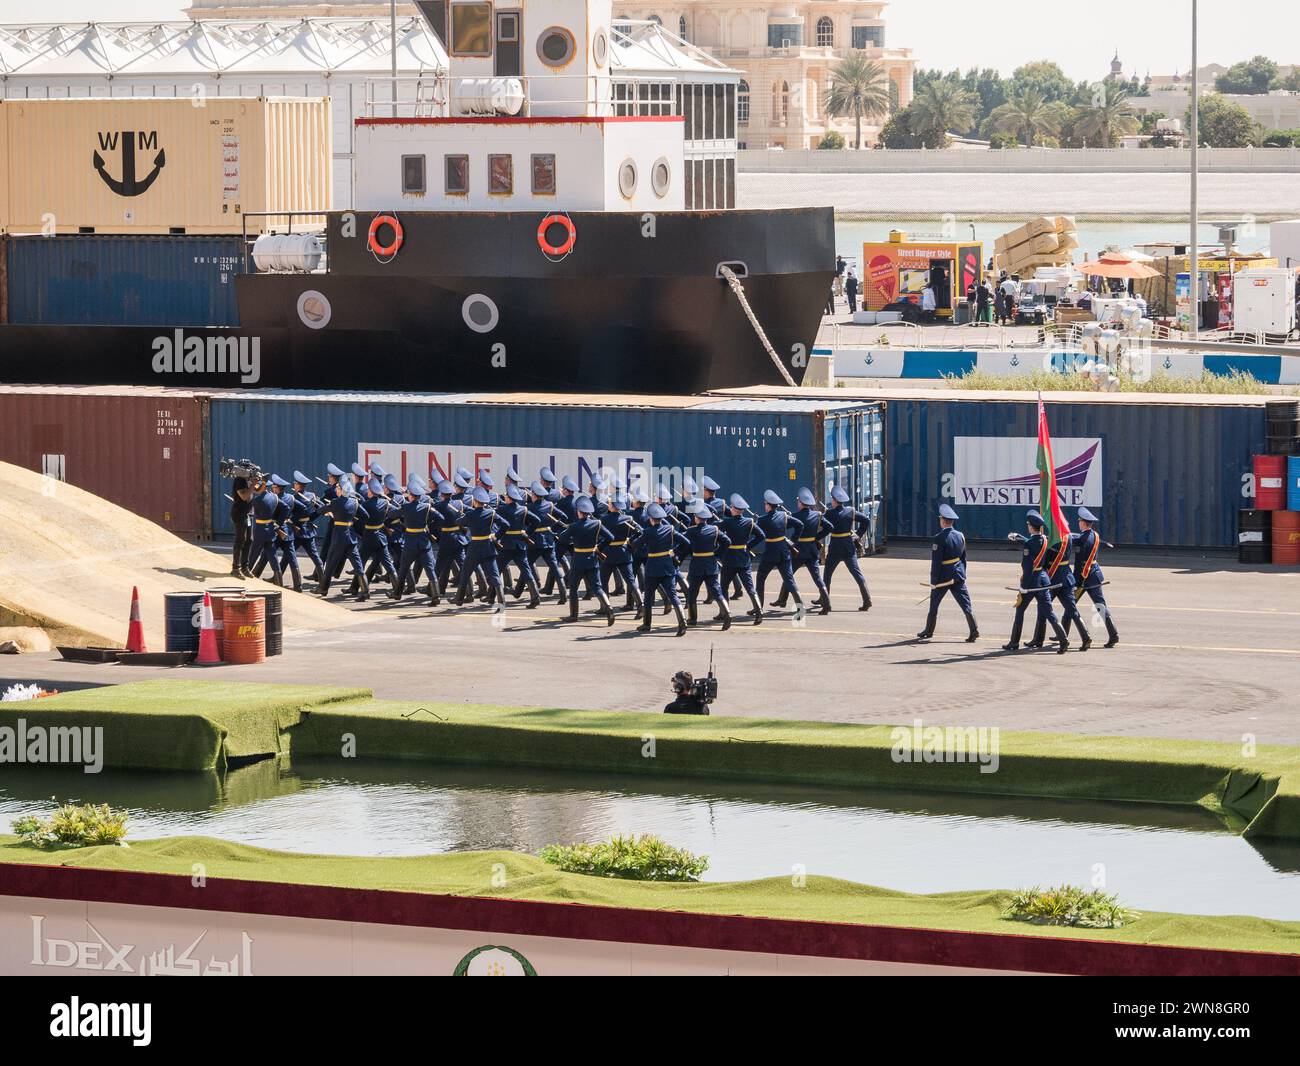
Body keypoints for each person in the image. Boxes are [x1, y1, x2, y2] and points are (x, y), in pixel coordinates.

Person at [1003, 511, 1069, 654]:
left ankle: (1014, 642)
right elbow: (1036, 546)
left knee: (1020, 611)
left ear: (1031, 527)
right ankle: (1064, 640)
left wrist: (1023, 587)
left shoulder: (1028, 544)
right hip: (1043, 580)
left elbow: (1027, 567)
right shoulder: (1045, 540)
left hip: (1031, 582)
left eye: (1028, 525)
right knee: (1049, 612)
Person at [917, 504, 978, 642]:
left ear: (943, 521)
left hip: (943, 578)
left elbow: (936, 562)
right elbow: (963, 558)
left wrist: (933, 582)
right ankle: (974, 630)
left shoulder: (939, 538)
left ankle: (928, 630)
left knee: (934, 604)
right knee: (966, 604)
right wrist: (962, 574)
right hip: (957, 575)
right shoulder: (960, 535)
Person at [1027, 525, 1091, 651]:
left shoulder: (1052, 543)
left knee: (1043, 607)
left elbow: (1043, 559)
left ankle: (1038, 639)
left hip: (1053, 580)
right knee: (1072, 610)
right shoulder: (1068, 538)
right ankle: (1086, 637)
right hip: (1066, 578)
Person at [555, 495, 616, 624]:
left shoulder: (574, 526)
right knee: (598, 587)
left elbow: (562, 539)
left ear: (579, 512)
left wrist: (568, 534)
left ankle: (573, 615)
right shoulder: (597, 524)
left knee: (573, 588)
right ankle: (609, 608)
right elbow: (610, 537)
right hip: (592, 559)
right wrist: (599, 547)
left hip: (578, 561)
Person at [633, 502, 690, 636]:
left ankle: (647, 624)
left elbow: (634, 545)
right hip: (667, 566)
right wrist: (675, 552)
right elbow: (686, 543)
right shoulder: (670, 529)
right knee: (673, 595)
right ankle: (682, 621)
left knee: (648, 597)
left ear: (651, 519)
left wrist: (637, 535)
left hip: (653, 568)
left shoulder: (647, 532)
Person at [773, 487, 829, 613]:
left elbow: (783, 527)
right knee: (817, 578)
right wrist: (816, 537)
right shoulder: (817, 515)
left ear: (801, 503)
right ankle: (827, 604)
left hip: (798, 551)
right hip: (812, 550)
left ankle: (782, 599)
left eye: (798, 501)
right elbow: (829, 527)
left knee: (788, 575)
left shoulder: (796, 516)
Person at [682, 500, 732, 630]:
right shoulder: (714, 530)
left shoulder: (691, 531)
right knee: (717, 591)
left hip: (697, 565)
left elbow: (683, 544)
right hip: (711, 564)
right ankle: (727, 614)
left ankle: (692, 619)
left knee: (692, 593)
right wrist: (716, 554)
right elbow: (727, 541)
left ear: (696, 518)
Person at [316, 476, 368, 601]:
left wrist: (330, 511)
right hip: (351, 536)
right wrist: (350, 517)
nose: (336, 490)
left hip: (339, 536)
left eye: (338, 488)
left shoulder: (335, 502)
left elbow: (320, 511)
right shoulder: (354, 502)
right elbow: (365, 515)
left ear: (341, 490)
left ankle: (323, 588)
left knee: (330, 563)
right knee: (358, 566)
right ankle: (365, 592)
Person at [755, 490, 805, 616]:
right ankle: (800, 608)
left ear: (768, 505)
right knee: (789, 580)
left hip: (770, 553)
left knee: (760, 578)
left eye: (765, 504)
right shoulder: (783, 516)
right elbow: (799, 525)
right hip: (783, 551)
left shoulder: (762, 520)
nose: (764, 506)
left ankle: (758, 607)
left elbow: (757, 533)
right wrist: (793, 541)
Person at [1074, 507, 1119, 648]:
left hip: (1083, 578)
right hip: (1094, 575)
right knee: (1101, 607)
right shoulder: (1095, 535)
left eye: (1079, 521)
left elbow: (1078, 561)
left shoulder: (1081, 540)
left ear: (1083, 523)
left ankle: (1062, 634)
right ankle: (1114, 635)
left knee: (1070, 606)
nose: (1078, 523)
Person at [822, 486, 872, 611]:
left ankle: (825, 602)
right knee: (857, 574)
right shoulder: (851, 511)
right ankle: (867, 600)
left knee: (827, 575)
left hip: (835, 549)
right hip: (848, 547)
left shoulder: (829, 513)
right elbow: (866, 520)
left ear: (834, 500)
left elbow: (820, 524)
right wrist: (858, 535)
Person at [720, 493, 764, 624]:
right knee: (750, 587)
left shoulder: (726, 522)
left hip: (729, 559)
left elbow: (716, 531)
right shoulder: (749, 522)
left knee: (723, 587)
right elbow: (761, 536)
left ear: (733, 508)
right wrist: (748, 546)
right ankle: (759, 612)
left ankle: (725, 614)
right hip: (743, 557)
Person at [497, 484, 543, 608]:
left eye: (506, 496)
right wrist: (527, 533)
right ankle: (535, 597)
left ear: (509, 498)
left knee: (497, 570)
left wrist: (496, 536)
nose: (504, 497)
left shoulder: (502, 509)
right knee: (526, 570)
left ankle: (492, 596)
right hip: (520, 544)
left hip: (506, 545)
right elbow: (536, 521)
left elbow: (497, 522)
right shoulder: (523, 509)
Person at [396, 475, 439, 605]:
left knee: (403, 567)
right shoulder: (426, 507)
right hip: (424, 542)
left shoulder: (406, 507)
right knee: (430, 569)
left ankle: (397, 593)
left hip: (410, 543)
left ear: (410, 495)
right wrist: (427, 521)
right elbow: (439, 517)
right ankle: (436, 596)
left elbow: (392, 514)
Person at [229, 473, 254, 578]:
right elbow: (244, 496)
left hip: (248, 514)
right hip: (239, 514)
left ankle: (245, 567)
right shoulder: (239, 480)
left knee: (249, 540)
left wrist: (263, 482)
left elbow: (259, 490)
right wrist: (254, 484)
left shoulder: (248, 481)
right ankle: (235, 568)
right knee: (240, 540)